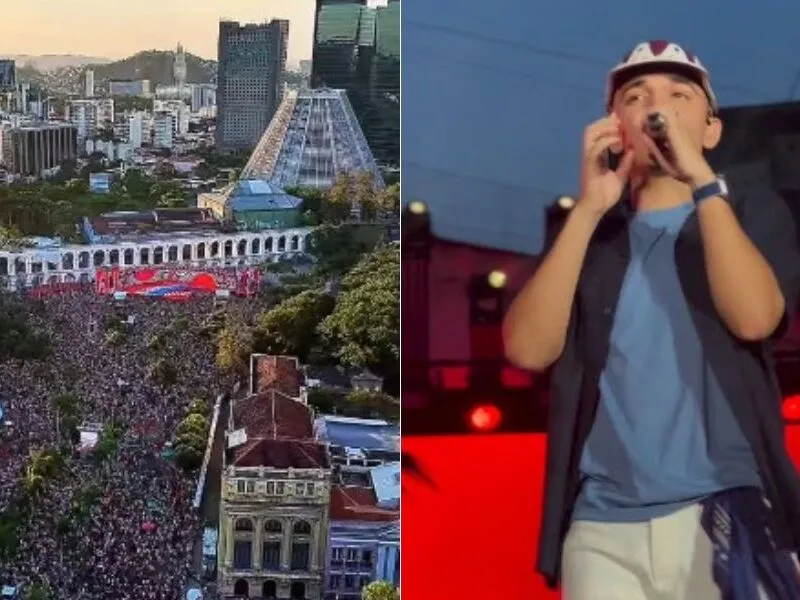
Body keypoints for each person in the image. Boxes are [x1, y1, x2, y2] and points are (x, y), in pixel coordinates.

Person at [503, 40, 800, 600]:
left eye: (678, 95)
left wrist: (702, 182)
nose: (656, 109)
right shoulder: (593, 241)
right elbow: (527, 350)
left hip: (729, 513)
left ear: (710, 129)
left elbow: (756, 318)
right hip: (601, 525)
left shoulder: (749, 215)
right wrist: (589, 207)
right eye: (635, 97)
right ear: (614, 128)